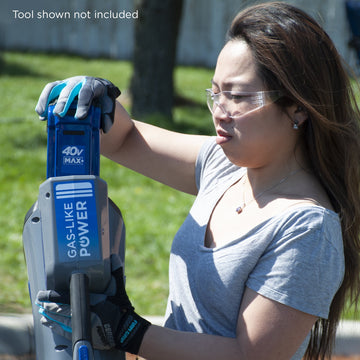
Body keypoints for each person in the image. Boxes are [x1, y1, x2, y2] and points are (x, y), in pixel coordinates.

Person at [35, 2, 360, 359]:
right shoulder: (224, 165)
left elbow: (249, 355)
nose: (219, 112)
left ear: (298, 106)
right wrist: (98, 103)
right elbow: (125, 140)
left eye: (237, 97)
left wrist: (128, 331)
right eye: (215, 93)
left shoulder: (309, 230)